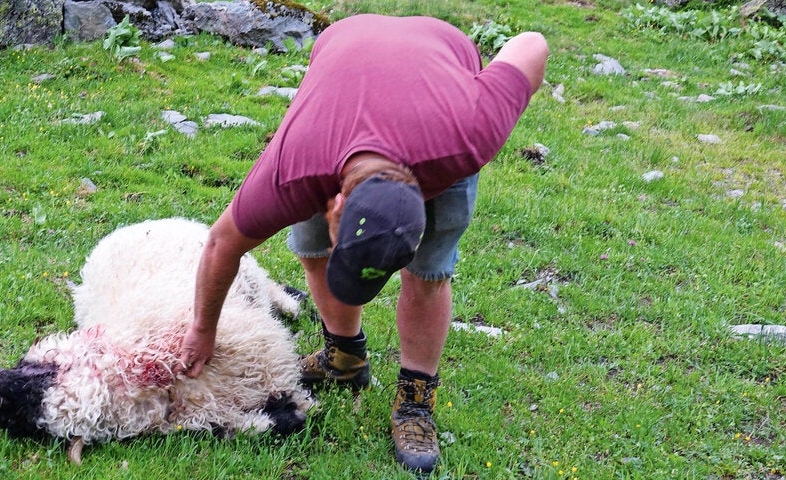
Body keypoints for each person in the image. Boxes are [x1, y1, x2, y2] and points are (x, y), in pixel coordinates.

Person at [178, 14, 548, 473]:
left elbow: (532, 43)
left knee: (429, 272)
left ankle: (415, 401)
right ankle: (344, 357)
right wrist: (203, 330)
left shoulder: (470, 134)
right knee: (311, 243)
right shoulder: (294, 168)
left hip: (441, 78)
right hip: (345, 52)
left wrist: (475, 94)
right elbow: (221, 244)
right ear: (333, 206)